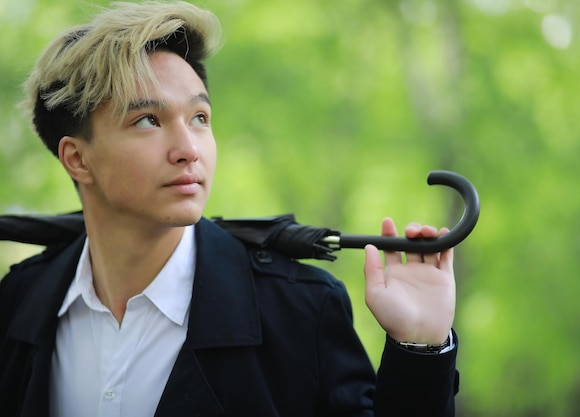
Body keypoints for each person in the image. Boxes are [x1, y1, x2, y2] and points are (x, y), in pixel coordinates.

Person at [0, 2, 459, 416]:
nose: (188, 149)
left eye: (199, 118)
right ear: (77, 158)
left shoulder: (299, 310)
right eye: (147, 120)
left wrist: (419, 348)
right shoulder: (19, 302)